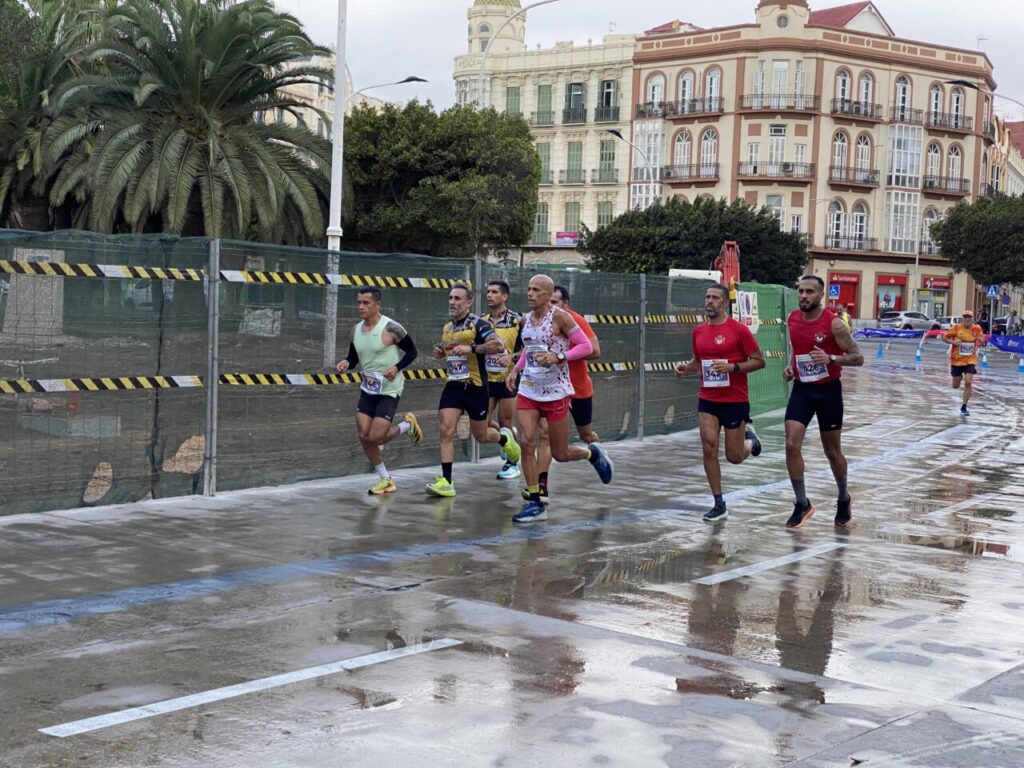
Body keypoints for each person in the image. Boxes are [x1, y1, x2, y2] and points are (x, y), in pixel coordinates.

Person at [506, 275, 613, 523]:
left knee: (560, 453)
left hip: (556, 391)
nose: (530, 294)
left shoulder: (560, 317)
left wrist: (559, 357)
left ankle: (592, 455)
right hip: (530, 389)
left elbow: (586, 348)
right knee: (525, 441)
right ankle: (536, 502)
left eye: (535, 290)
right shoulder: (526, 320)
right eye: (528, 289)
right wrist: (516, 369)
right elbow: (528, 350)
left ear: (547, 294)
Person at [674, 283, 766, 522]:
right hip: (708, 398)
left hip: (734, 399)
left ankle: (751, 443)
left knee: (734, 457)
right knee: (709, 447)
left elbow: (759, 361)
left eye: (715, 298)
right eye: (707, 297)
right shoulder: (698, 332)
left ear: (725, 303)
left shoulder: (739, 331)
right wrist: (686, 368)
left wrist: (733, 367)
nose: (710, 301)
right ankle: (718, 502)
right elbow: (697, 361)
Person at [783, 275, 864, 529]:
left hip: (828, 392)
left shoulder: (835, 324)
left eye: (810, 292)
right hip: (802, 390)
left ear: (821, 296)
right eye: (801, 291)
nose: (804, 296)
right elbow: (796, 349)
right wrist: (789, 366)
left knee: (832, 452)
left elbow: (858, 357)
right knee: (791, 444)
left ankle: (843, 497)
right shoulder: (793, 319)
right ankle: (801, 503)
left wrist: (831, 358)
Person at [427, 283, 520, 497]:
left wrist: (472, 348)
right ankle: (447, 481)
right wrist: (442, 352)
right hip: (454, 385)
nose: (452, 302)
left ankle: (505, 440)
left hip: (476, 387)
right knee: (445, 430)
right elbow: (453, 352)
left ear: (468, 303)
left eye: (458, 298)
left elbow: (497, 346)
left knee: (481, 435)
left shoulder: (478, 324)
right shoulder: (448, 328)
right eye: (450, 298)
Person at [335, 287, 423, 495]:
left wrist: (397, 367)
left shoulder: (392, 328)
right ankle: (385, 478)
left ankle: (407, 426)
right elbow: (354, 357)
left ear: (377, 305)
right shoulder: (355, 330)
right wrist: (346, 362)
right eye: (359, 303)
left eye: (366, 303)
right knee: (364, 436)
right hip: (368, 389)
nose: (361, 307)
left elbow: (412, 352)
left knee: (376, 438)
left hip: (389, 389)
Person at [532, 284, 601, 502]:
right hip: (552, 389)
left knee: (586, 435)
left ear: (565, 304)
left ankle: (596, 454)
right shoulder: (539, 321)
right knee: (545, 435)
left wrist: (562, 355)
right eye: (548, 301)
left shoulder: (574, 320)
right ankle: (541, 487)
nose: (550, 306)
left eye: (554, 302)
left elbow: (595, 351)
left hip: (578, 388)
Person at [482, 280, 523, 480]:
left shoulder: (517, 320)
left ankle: (512, 464)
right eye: (488, 292)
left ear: (504, 297)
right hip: (487, 379)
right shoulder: (480, 321)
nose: (489, 295)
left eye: (494, 292)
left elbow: (528, 347)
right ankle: (507, 439)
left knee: (505, 420)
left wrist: (512, 358)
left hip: (509, 378)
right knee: (485, 422)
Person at [941, 309, 985, 416]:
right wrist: (954, 342)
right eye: (965, 317)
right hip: (956, 360)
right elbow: (944, 338)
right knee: (955, 385)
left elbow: (982, 339)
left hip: (970, 359)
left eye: (969, 317)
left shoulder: (976, 328)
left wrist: (980, 339)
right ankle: (959, 377)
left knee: (969, 382)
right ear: (963, 318)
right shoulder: (956, 328)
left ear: (972, 319)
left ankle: (964, 406)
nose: (967, 319)